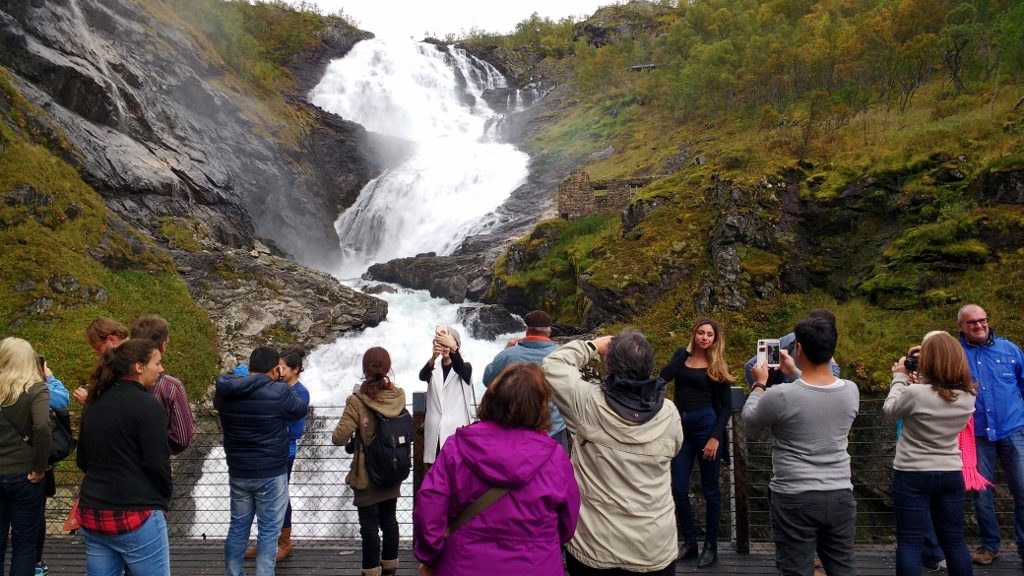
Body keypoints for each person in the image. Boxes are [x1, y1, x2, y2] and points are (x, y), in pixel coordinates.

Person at [414, 363, 580, 575]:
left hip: (464, 564)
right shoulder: (555, 457)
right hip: (536, 565)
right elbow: (568, 521)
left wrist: (430, 557)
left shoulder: (457, 446)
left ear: (491, 398)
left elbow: (430, 505)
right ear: (541, 406)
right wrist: (543, 543)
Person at [543, 329, 683, 575]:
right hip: (652, 545)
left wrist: (593, 345)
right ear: (649, 365)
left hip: (596, 544)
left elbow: (553, 364)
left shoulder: (586, 402)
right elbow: (676, 447)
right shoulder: (669, 413)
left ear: (609, 364)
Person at [742, 310, 860, 576]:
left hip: (794, 495)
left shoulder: (781, 395)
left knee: (795, 570)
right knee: (843, 569)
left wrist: (760, 384)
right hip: (840, 491)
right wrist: (795, 372)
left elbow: (750, 418)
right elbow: (816, 392)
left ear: (798, 348)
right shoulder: (851, 390)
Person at [884, 331, 977, 575]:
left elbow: (890, 410)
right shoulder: (968, 397)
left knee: (910, 542)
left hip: (911, 472)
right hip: (950, 472)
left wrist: (898, 378)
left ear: (929, 361)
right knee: (955, 541)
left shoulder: (916, 394)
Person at [76, 338, 171, 576]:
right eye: (157, 363)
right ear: (139, 367)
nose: (161, 369)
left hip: (93, 511)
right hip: (135, 513)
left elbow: (83, 459)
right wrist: (163, 499)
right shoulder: (149, 406)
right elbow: (157, 464)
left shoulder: (94, 403)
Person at [215, 346, 309, 576]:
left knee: (238, 527)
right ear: (275, 368)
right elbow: (299, 410)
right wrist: (278, 381)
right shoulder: (279, 392)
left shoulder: (227, 392)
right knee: (268, 531)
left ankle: (233, 573)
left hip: (239, 470)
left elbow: (220, 400)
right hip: (271, 471)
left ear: (249, 367)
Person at [659, 318, 733, 567]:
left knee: (710, 489)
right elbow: (664, 377)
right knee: (678, 488)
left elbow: (726, 408)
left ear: (715, 339)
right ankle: (689, 543)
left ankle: (710, 546)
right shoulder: (682, 356)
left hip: (707, 426)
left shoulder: (717, 364)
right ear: (694, 335)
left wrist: (715, 437)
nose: (704, 337)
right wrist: (687, 351)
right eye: (700, 333)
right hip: (681, 428)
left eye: (709, 334)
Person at [956, 304, 1024, 566]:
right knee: (981, 493)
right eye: (972, 322)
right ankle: (989, 546)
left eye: (982, 320)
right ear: (961, 326)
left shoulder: (1010, 350)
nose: (979, 325)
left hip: (1012, 429)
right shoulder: (957, 354)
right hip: (976, 434)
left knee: (1022, 490)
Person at [331, 347, 406, 576]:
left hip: (367, 474)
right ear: (388, 367)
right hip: (392, 469)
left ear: (365, 369)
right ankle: (390, 566)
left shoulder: (356, 400)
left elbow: (338, 437)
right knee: (390, 521)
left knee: (370, 527)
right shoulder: (398, 396)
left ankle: (371, 571)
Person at [245, 347, 310, 561]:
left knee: (281, 496)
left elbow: (297, 429)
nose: (279, 370)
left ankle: (284, 542)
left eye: (283, 366)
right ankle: (265, 541)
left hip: (285, 452)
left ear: (296, 369)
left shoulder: (300, 392)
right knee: (264, 495)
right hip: (267, 449)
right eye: (278, 366)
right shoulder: (276, 386)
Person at [481, 310, 568, 450]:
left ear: (526, 330)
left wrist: (505, 350)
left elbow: (488, 381)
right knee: (557, 468)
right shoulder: (563, 355)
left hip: (515, 429)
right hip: (554, 428)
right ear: (548, 331)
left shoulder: (508, 355)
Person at [0, 338, 51, 576]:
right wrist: (39, 468)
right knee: (24, 545)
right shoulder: (36, 388)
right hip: (25, 476)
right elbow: (42, 427)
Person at [130, 315, 194, 454]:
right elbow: (182, 439)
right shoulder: (171, 386)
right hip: (153, 467)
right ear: (164, 345)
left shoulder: (112, 381)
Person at [34, 359, 70, 576]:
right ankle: (34, 563)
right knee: (35, 518)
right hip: (35, 467)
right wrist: (48, 376)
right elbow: (62, 399)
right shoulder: (36, 389)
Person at [419, 326, 474, 465]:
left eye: (447, 343)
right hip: (435, 431)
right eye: (441, 344)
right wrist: (433, 357)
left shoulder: (465, 367)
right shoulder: (433, 368)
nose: (445, 348)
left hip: (456, 430)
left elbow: (460, 368)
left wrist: (454, 349)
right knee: (435, 470)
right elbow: (422, 375)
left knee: (456, 470)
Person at [742, 327, 840, 386]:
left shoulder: (791, 337)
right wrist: (834, 365)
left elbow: (750, 366)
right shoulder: (850, 389)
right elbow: (827, 386)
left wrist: (760, 386)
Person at [74, 317, 128, 404]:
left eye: (98, 348)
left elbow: (120, 402)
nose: (98, 354)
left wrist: (90, 400)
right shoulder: (121, 360)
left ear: (111, 340)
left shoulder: (127, 363)